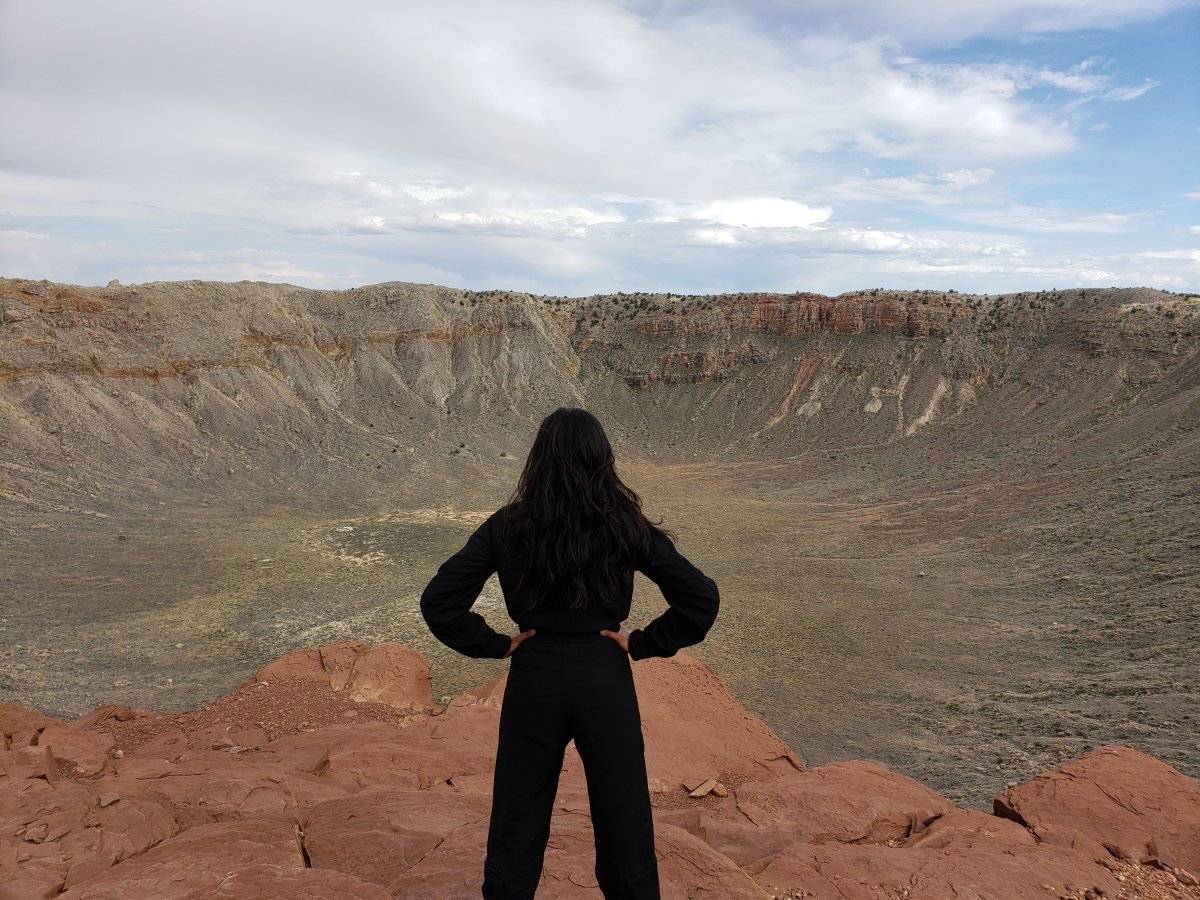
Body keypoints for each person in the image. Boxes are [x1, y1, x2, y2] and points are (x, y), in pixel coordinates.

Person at [419, 407, 720, 899]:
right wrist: (643, 642)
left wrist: (496, 644)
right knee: (623, 817)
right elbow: (701, 598)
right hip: (604, 675)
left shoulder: (507, 525)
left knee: (518, 815)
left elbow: (439, 602)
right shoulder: (623, 523)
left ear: (538, 461)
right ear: (602, 460)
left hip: (533, 675)